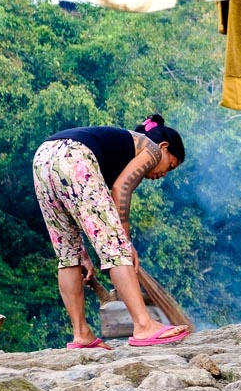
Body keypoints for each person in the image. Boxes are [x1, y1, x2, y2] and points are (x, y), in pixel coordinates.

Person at [32, 114, 191, 348]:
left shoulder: (119, 150)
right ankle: (144, 326)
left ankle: (81, 334)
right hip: (74, 156)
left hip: (43, 158)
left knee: (69, 256)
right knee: (116, 248)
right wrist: (125, 242)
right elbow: (121, 190)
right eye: (171, 165)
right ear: (164, 148)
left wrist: (84, 252)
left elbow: (82, 207)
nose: (164, 174)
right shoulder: (152, 149)